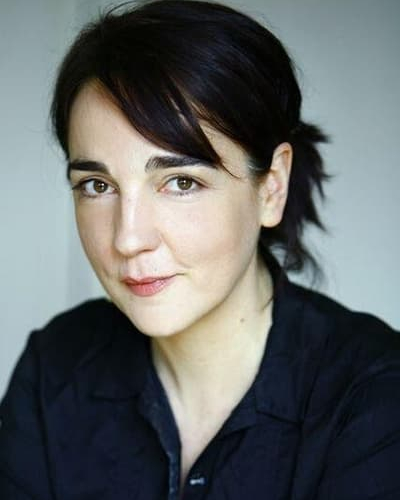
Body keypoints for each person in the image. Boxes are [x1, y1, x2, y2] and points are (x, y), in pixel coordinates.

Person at [1, 1, 399, 499]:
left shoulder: (373, 396)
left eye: (181, 182)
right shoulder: (55, 369)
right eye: (97, 186)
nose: (128, 238)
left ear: (272, 186)